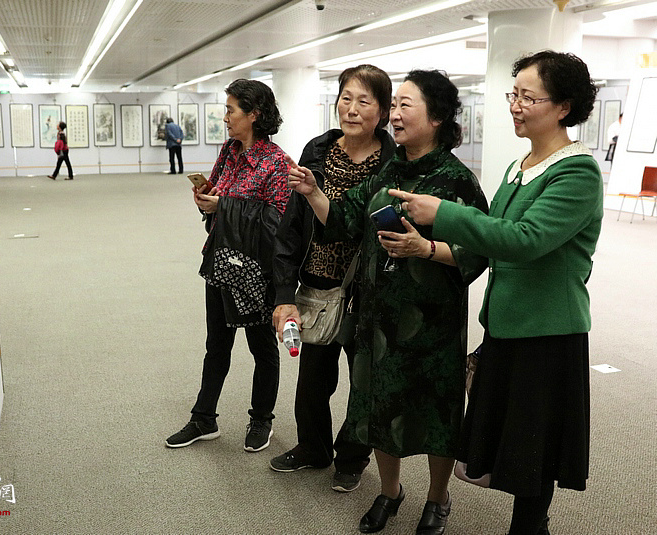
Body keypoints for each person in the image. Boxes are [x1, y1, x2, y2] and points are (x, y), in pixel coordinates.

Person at [391, 51, 603, 535]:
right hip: (507, 324)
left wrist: (442, 213)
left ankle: (530, 527)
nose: (516, 105)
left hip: (546, 332)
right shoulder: (520, 165)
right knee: (513, 445)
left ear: (564, 106)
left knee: (535, 450)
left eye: (529, 97)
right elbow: (486, 246)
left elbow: (524, 241)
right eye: (515, 94)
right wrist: (428, 248)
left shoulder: (576, 173)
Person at [287, 70, 487, 535]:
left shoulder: (456, 179)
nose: (393, 115)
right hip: (377, 320)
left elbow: (480, 249)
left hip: (432, 323)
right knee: (380, 405)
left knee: (436, 413)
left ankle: (438, 498)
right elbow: (346, 218)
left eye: (405, 106)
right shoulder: (389, 168)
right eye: (393, 106)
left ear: (436, 117)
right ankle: (390, 490)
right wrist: (314, 191)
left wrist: (427, 250)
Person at [270, 64, 395, 493]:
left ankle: (353, 458)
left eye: (364, 101)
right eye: (346, 98)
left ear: (382, 111)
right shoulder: (319, 151)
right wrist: (284, 293)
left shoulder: (393, 162)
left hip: (367, 293)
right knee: (312, 384)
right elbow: (290, 227)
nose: (352, 109)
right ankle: (313, 448)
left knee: (364, 386)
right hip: (318, 287)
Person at [166, 79, 290, 453]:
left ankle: (261, 420)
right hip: (221, 259)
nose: (225, 117)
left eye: (231, 109)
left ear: (254, 115)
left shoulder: (276, 163)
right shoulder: (229, 151)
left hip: (254, 270)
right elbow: (218, 194)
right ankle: (204, 417)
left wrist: (225, 207)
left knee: (261, 347)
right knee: (216, 344)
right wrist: (205, 199)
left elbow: (276, 222)